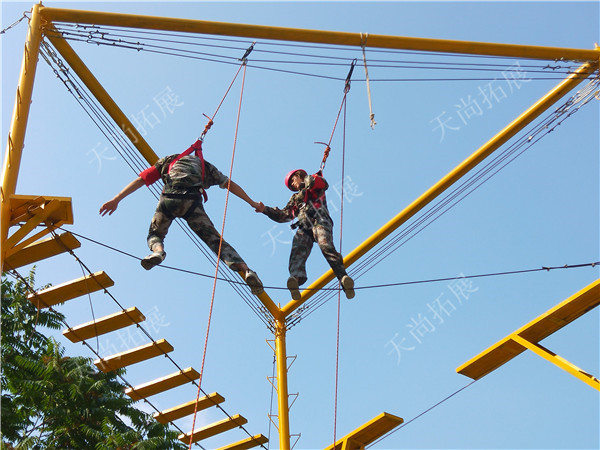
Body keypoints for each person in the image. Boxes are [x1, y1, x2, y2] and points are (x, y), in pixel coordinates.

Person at [99, 143, 264, 296]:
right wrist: (252, 202)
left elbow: (141, 180)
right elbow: (230, 185)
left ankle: (158, 252)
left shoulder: (169, 160)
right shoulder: (207, 167)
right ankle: (246, 270)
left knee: (155, 234)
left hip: (169, 198)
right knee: (215, 241)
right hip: (192, 202)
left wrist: (116, 199)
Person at [255, 169, 354, 300]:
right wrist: (265, 210)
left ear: (299, 176)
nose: (292, 184)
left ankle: (343, 278)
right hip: (305, 227)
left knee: (325, 246)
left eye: (293, 180)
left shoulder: (313, 182)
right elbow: (284, 215)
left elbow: (322, 184)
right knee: (297, 249)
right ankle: (295, 279)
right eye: (290, 184)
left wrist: (306, 182)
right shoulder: (296, 199)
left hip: (320, 220)